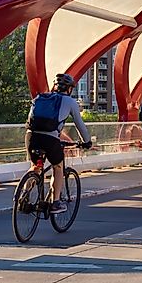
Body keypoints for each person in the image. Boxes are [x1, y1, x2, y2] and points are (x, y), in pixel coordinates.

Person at [25, 73, 92, 214]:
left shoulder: (39, 97)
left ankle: (23, 197)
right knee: (58, 167)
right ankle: (55, 202)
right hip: (50, 139)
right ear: (69, 89)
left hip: (31, 136)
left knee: (35, 166)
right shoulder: (69, 102)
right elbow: (80, 125)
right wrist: (87, 141)